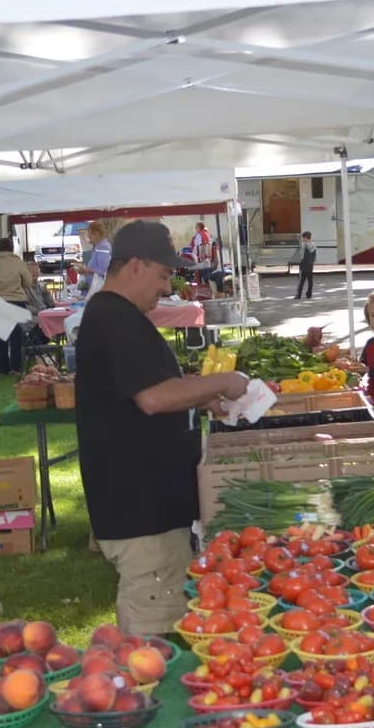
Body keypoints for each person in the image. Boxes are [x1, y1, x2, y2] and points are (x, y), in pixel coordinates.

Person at [75, 221, 249, 635]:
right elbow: (151, 398)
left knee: (160, 615)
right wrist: (222, 383)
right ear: (135, 265)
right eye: (164, 275)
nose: (167, 288)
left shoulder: (119, 316)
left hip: (149, 506)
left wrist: (197, 396)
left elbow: (145, 390)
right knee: (154, 636)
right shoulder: (114, 318)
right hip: (141, 512)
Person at [0, 236, 35, 374]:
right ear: (11, 248)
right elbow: (29, 282)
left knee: (2, 336)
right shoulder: (18, 263)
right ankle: (15, 367)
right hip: (17, 302)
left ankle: (3, 367)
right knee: (16, 336)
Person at [83, 221, 112, 297]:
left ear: (96, 234)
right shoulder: (98, 247)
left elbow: (104, 271)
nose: (88, 236)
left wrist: (86, 270)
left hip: (98, 289)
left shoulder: (103, 247)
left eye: (89, 234)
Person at [294, 230, 317, 299]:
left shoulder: (303, 245)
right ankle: (309, 294)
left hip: (303, 265)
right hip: (310, 265)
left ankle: (298, 295)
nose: (302, 239)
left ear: (306, 238)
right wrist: (312, 262)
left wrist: (299, 262)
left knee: (301, 281)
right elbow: (315, 256)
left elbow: (301, 256)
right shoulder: (314, 245)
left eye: (303, 237)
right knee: (310, 281)